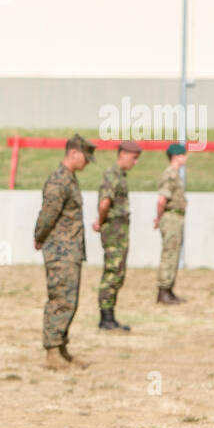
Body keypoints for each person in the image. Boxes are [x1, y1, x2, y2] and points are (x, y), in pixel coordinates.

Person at [34, 134, 95, 370]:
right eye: (86, 157)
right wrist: (39, 237)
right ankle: (51, 352)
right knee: (60, 299)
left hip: (70, 250)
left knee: (70, 300)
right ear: (73, 153)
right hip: (60, 251)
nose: (88, 162)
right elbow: (48, 214)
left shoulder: (69, 179)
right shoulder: (59, 181)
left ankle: (61, 347)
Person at [94, 139, 142, 331]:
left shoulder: (120, 175)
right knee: (112, 272)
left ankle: (110, 316)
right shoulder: (112, 174)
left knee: (118, 272)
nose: (135, 162)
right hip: (113, 230)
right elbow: (104, 202)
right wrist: (100, 221)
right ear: (122, 154)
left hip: (119, 230)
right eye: (134, 157)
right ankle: (106, 318)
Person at [155, 142, 188, 304]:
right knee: (169, 253)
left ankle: (168, 289)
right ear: (175, 156)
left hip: (175, 217)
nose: (185, 157)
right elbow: (162, 200)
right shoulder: (170, 174)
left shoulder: (175, 174)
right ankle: (163, 290)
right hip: (171, 217)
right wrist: (158, 217)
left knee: (173, 254)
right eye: (183, 154)